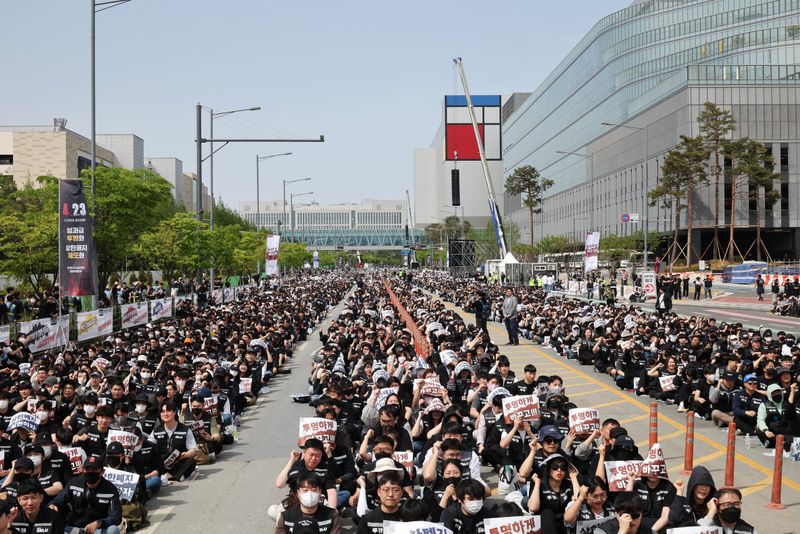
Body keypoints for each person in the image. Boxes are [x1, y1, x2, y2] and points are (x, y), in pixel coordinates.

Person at [49, 456, 122, 534]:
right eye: (87, 469)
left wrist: (99, 523)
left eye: (94, 470)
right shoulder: (74, 483)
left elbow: (116, 516)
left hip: (97, 530)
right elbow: (60, 499)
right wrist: (53, 505)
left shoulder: (110, 489)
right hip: (73, 528)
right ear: (83, 470)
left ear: (102, 472)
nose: (90, 472)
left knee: (113, 530)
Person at [275, 472, 342, 534]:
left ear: (320, 492)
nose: (309, 493)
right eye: (305, 490)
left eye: (314, 490)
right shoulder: (286, 517)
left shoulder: (331, 515)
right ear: (298, 493)